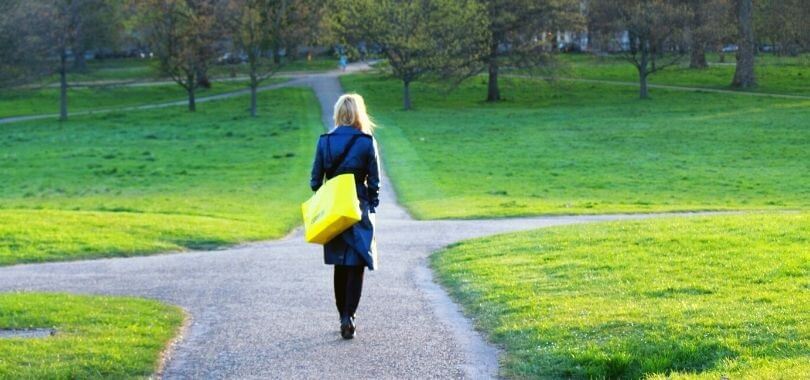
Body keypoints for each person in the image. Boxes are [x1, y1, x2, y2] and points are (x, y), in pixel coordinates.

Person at [310, 93, 380, 339]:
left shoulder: (324, 141)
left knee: (340, 264)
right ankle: (349, 315)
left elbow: (315, 181)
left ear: (339, 113)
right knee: (357, 263)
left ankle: (343, 315)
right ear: (359, 113)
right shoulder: (366, 141)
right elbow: (375, 183)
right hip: (358, 208)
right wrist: (372, 205)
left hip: (334, 209)